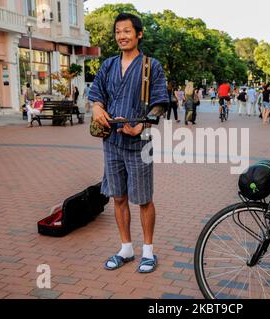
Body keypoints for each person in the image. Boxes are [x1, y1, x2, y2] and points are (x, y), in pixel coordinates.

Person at [89, 13, 169, 274]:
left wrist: (142, 124)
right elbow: (97, 94)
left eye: (126, 31)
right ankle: (126, 248)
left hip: (139, 141)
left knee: (144, 199)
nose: (121, 36)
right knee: (118, 197)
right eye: (118, 32)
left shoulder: (150, 66)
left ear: (138, 34)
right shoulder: (109, 65)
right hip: (111, 141)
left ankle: (148, 251)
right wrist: (97, 108)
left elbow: (159, 103)